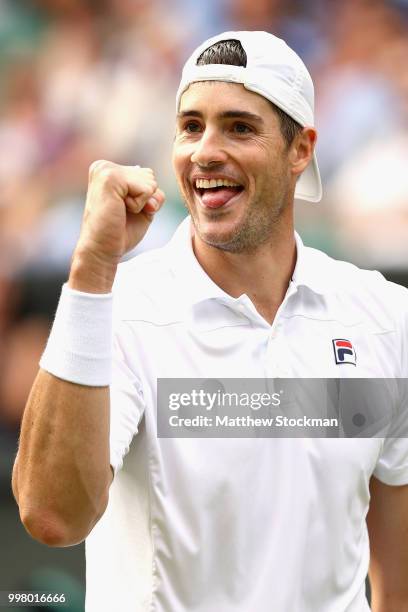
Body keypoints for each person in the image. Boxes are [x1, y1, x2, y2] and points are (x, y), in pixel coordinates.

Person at [12, 31, 408, 612]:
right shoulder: (117, 309)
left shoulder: (383, 316)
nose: (204, 151)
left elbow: (396, 579)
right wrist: (92, 269)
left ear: (301, 149)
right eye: (191, 126)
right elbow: (52, 515)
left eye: (239, 127)